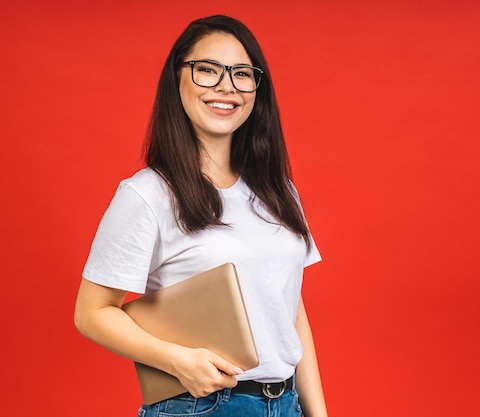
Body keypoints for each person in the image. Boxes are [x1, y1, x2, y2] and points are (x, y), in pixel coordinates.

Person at [74, 15, 328, 417]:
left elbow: (289, 308)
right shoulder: (148, 194)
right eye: (207, 70)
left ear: (257, 89)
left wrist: (317, 413)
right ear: (177, 80)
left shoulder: (279, 190)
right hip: (202, 406)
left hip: (287, 402)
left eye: (242, 73)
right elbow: (91, 313)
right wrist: (176, 361)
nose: (226, 86)